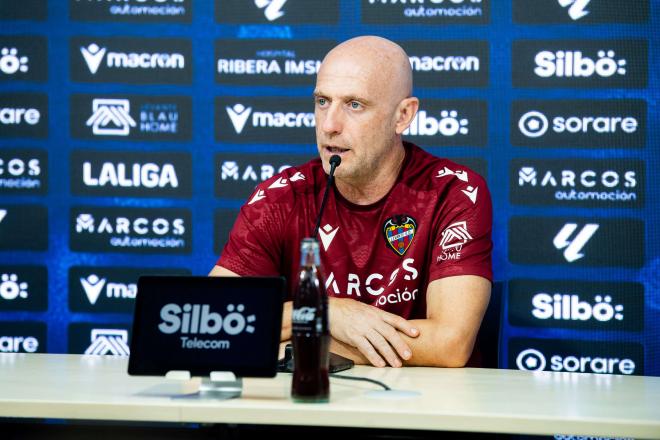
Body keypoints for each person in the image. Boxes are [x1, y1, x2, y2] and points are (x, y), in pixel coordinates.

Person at [210, 36, 492, 368]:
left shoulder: (452, 192)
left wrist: (293, 341)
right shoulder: (282, 196)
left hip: (420, 411)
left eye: (354, 105)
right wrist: (324, 314)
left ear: (403, 115)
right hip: (307, 408)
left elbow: (449, 344)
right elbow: (213, 319)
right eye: (322, 101)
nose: (330, 125)